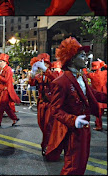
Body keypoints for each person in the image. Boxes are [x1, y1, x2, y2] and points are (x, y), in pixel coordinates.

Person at [45, 37, 107, 175]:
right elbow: (55, 109)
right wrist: (73, 120)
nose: (86, 58)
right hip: (72, 131)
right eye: (82, 56)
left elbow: (93, 93)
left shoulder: (82, 77)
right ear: (72, 59)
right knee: (72, 166)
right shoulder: (61, 82)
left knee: (82, 163)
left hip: (84, 129)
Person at [30, 53, 59, 156]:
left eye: (45, 64)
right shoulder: (39, 75)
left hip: (51, 103)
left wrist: (46, 71)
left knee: (48, 125)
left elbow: (55, 79)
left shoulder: (54, 73)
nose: (43, 66)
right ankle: (51, 142)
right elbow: (32, 84)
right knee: (41, 124)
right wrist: (32, 73)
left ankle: (46, 145)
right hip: (41, 103)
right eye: (42, 64)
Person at [0, 53, 20, 127]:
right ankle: (15, 118)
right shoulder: (1, 69)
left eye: (1, 61)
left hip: (6, 90)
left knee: (0, 106)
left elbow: (6, 80)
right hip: (2, 90)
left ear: (5, 62)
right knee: (6, 107)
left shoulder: (8, 69)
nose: (0, 63)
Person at [85, 59, 107, 131]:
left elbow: (84, 73)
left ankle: (98, 125)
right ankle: (98, 124)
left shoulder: (92, 75)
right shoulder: (104, 73)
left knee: (98, 112)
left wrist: (86, 66)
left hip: (96, 95)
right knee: (102, 111)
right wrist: (102, 63)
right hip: (104, 93)